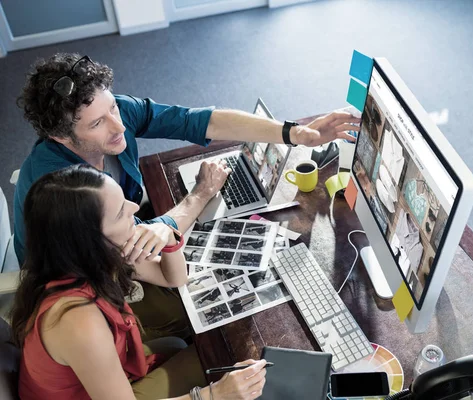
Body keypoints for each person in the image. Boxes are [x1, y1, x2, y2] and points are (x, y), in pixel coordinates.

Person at [13, 52, 359, 340]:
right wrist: (199, 194)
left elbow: (200, 121)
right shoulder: (61, 185)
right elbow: (140, 243)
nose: (118, 126)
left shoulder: (112, 113)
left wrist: (295, 133)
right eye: (96, 124)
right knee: (216, 316)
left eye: (113, 110)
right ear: (60, 137)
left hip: (122, 237)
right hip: (89, 285)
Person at [10, 165, 268, 400]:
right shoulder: (78, 321)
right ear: (93, 240)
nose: (135, 208)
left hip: (104, 378)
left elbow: (174, 278)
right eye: (121, 211)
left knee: (214, 352)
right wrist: (214, 395)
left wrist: (169, 237)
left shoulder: (86, 255)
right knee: (225, 359)